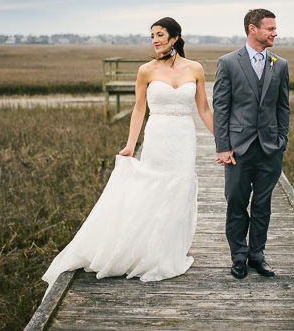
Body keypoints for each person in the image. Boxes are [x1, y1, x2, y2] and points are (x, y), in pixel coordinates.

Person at [42, 17, 213, 296]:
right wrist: (131, 145)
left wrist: (223, 142)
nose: (155, 40)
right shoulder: (146, 70)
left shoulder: (195, 69)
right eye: (152, 36)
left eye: (160, 35)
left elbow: (204, 109)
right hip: (157, 136)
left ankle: (167, 251)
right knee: (154, 191)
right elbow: (138, 110)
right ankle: (146, 250)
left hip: (184, 138)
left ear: (175, 37)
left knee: (179, 190)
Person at [212, 8, 290, 279]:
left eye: (274, 28)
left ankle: (257, 256)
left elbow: (283, 107)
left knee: (262, 205)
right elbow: (220, 107)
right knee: (236, 202)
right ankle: (238, 257)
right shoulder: (228, 62)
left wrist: (282, 140)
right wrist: (222, 146)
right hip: (238, 148)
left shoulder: (279, 64)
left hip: (270, 148)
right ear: (252, 29)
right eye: (270, 28)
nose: (275, 33)